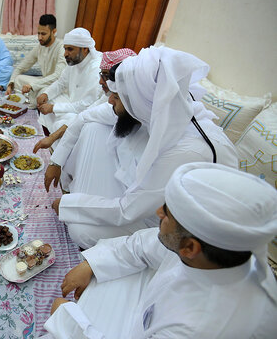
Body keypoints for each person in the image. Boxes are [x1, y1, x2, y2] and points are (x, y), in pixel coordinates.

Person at [26, 162, 277, 339]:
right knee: (116, 268)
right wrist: (91, 264)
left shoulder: (205, 332)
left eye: (166, 214)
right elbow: (143, 245)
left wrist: (65, 319)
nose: (158, 212)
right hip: (156, 338)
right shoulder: (220, 254)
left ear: (190, 247)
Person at [51, 46, 238, 249]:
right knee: (94, 128)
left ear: (140, 101)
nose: (110, 99)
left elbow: (127, 210)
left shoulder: (183, 151)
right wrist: (56, 161)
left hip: (177, 229)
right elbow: (89, 116)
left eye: (118, 95)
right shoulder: (161, 109)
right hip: (147, 198)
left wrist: (68, 205)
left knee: (81, 231)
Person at [33, 48, 136, 156]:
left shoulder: (93, 68)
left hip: (104, 146)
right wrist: (52, 138)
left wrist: (54, 110)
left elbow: (85, 106)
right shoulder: (108, 96)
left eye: (105, 76)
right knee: (64, 125)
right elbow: (86, 114)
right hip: (75, 108)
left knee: (88, 130)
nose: (100, 81)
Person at [36, 28, 102, 136]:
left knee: (66, 122)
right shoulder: (74, 61)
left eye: (70, 49)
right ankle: (50, 134)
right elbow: (61, 83)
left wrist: (53, 108)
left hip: (85, 113)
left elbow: (86, 105)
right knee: (45, 96)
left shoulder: (96, 69)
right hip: (72, 104)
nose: (65, 54)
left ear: (85, 49)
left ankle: (54, 140)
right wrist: (46, 94)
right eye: (65, 49)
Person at [6, 14, 66, 108]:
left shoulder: (61, 47)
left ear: (54, 32)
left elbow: (58, 76)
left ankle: (30, 102)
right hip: (43, 81)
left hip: (56, 84)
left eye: (43, 34)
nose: (39, 37)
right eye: (38, 33)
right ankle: (31, 101)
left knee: (43, 92)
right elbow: (21, 67)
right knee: (18, 79)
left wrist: (33, 85)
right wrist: (11, 83)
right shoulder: (39, 47)